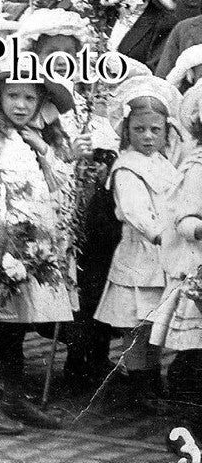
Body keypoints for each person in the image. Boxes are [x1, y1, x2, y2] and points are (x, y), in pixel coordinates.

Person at [0, 65, 76, 434]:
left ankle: (12, 395)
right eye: (13, 95)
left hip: (28, 242)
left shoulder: (34, 138)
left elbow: (60, 183)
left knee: (15, 322)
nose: (21, 104)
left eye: (29, 97)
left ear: (41, 102)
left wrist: (44, 150)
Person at [94, 76, 183, 412]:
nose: (147, 136)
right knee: (137, 324)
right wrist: (161, 234)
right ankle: (139, 386)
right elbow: (135, 213)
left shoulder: (163, 164)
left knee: (155, 324)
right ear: (126, 131)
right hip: (142, 255)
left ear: (166, 131)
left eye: (155, 130)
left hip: (166, 257)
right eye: (139, 129)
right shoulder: (127, 167)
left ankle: (153, 379)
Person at [151, 82, 202, 406]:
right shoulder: (197, 168)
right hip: (199, 266)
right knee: (195, 348)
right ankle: (188, 410)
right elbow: (185, 218)